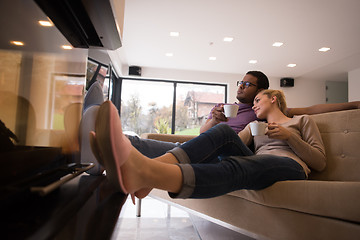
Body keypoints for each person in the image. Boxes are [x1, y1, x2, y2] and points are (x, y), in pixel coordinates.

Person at [89, 89, 326, 201]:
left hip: (291, 166)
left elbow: (319, 162)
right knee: (222, 132)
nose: (253, 106)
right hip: (258, 161)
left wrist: (289, 137)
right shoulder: (256, 125)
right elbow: (223, 143)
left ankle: (146, 172)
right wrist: (217, 121)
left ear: (273, 98)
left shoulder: (301, 121)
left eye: (257, 100)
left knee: (237, 167)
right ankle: (143, 170)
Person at [127, 70, 359, 158]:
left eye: (247, 84)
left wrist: (354, 105)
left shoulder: (264, 111)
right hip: (207, 146)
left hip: (233, 150)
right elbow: (202, 133)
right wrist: (215, 120)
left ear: (261, 92)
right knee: (174, 146)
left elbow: (310, 110)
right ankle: (116, 146)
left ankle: (123, 145)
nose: (240, 86)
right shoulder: (221, 106)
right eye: (240, 82)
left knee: (180, 148)